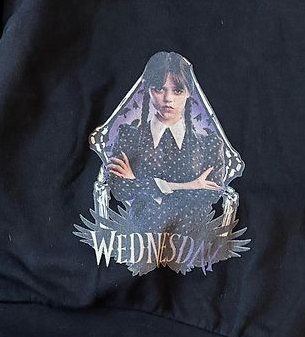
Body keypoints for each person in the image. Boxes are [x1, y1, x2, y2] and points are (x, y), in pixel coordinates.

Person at [100, 51, 237, 230]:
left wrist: (137, 182)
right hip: (140, 238)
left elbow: (210, 195)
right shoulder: (129, 136)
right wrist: (190, 185)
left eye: (177, 90)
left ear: (189, 92)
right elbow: (120, 189)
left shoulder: (210, 144)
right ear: (147, 89)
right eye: (159, 89)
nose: (168, 99)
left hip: (192, 240)